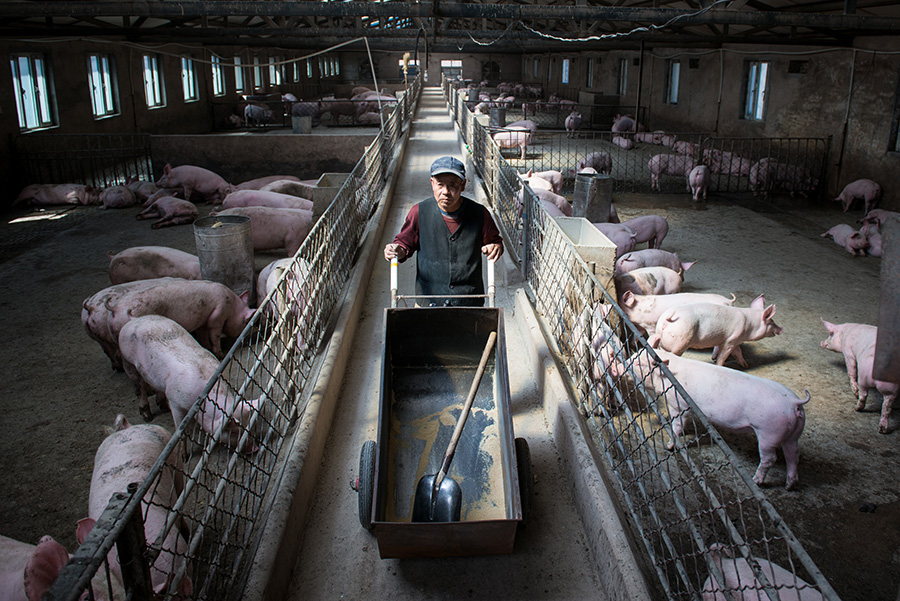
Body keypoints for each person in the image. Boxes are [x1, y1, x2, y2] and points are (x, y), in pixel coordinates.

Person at [384, 156, 504, 307]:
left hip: (468, 302)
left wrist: (494, 247)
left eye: (452, 185)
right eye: (440, 185)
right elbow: (403, 245)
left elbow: (495, 242)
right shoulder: (419, 213)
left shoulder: (480, 214)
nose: (446, 192)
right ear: (432, 184)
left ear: (463, 185)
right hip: (428, 301)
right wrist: (395, 250)